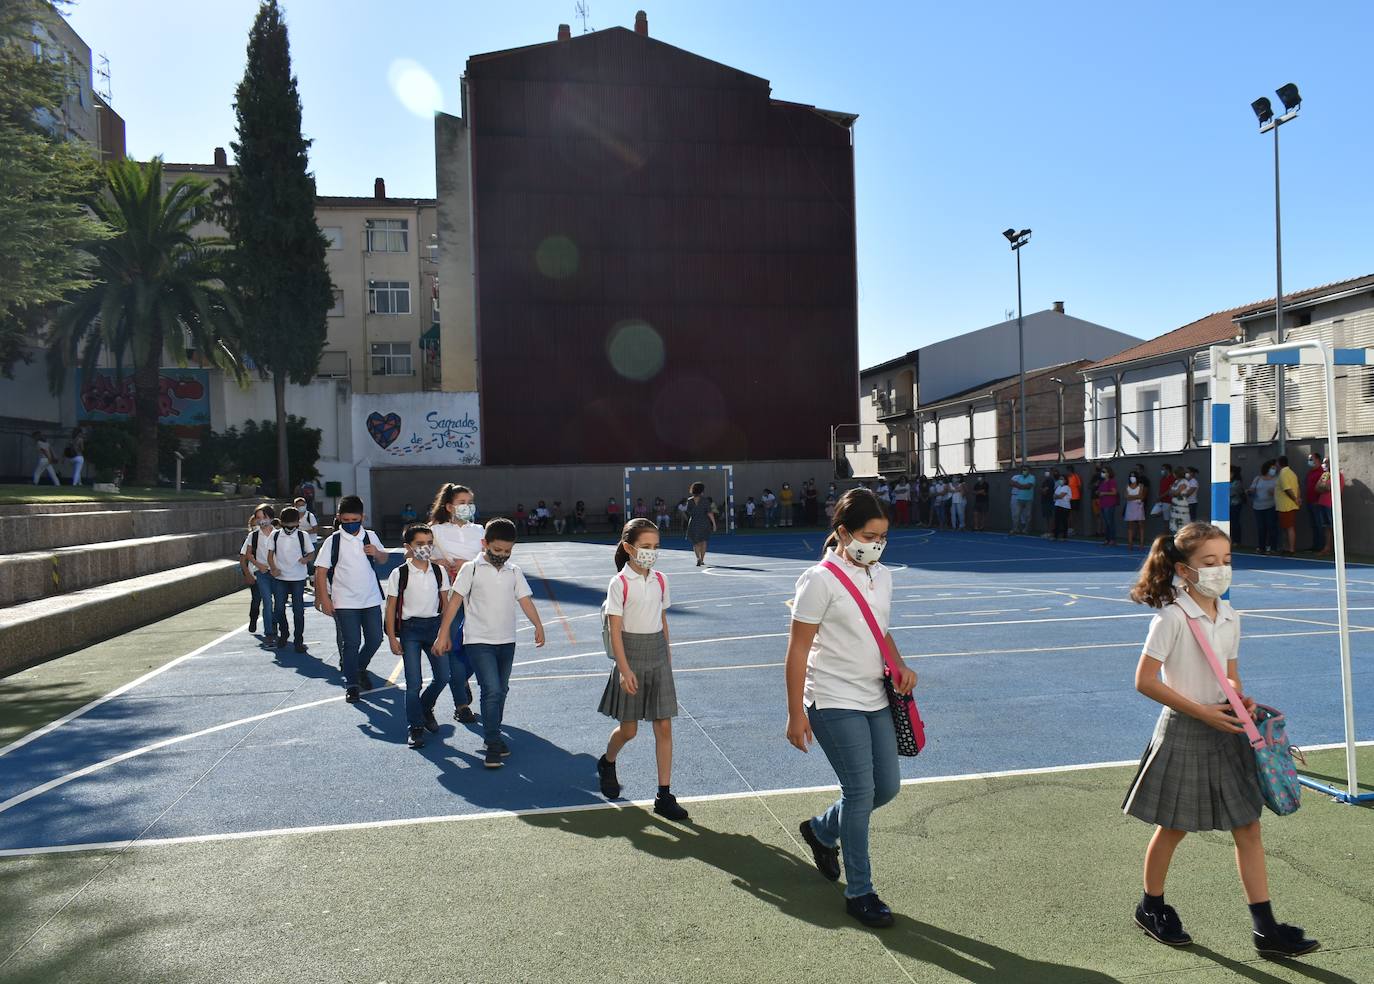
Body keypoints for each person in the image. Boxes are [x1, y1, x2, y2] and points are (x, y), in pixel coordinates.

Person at [1123, 523, 1319, 958]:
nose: (1220, 570)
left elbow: (1230, 675)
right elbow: (1145, 681)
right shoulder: (1172, 617)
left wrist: (1241, 698)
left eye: (1226, 561)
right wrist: (1202, 711)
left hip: (1227, 726)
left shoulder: (1231, 616)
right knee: (1174, 826)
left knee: (1248, 827)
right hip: (1187, 728)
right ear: (1183, 570)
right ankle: (1151, 906)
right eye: (1209, 563)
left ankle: (1265, 928)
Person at [784, 488, 918, 928]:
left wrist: (898, 664)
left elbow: (881, 631)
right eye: (868, 535)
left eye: (883, 536)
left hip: (875, 695)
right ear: (843, 532)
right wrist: (795, 713)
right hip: (832, 698)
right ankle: (860, 891)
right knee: (860, 793)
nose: (876, 544)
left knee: (888, 788)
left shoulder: (883, 576)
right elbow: (798, 650)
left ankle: (822, 830)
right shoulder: (819, 579)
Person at [434, 518, 546, 769]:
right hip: (478, 640)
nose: (502, 555)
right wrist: (444, 634)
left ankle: (492, 733)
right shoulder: (470, 570)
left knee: (501, 689)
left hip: (507, 640)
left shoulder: (513, 571)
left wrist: (538, 625)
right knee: (492, 689)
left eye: (507, 551)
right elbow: (454, 602)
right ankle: (493, 743)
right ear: (484, 543)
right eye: (497, 550)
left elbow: (525, 600)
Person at [595, 519, 688, 820]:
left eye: (656, 547)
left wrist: (668, 657)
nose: (651, 552)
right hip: (630, 657)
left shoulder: (661, 579)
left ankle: (664, 794)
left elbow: (662, 621)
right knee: (630, 730)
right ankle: (607, 762)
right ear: (628, 547)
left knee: (664, 726)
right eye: (645, 547)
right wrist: (624, 669)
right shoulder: (619, 583)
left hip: (657, 654)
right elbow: (616, 630)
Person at [314, 494, 388, 703]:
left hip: (371, 598)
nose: (350, 524)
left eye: (354, 520)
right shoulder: (333, 540)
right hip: (344, 601)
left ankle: (359, 667)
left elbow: (384, 558)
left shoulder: (370, 536)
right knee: (351, 643)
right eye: (345, 521)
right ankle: (352, 683)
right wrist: (324, 599)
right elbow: (320, 571)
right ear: (339, 518)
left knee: (375, 639)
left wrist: (377, 553)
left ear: (362, 517)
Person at [384, 524, 451, 750]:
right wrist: (392, 637)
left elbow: (447, 604)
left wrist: (445, 632)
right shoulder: (399, 573)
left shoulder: (439, 571)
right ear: (408, 547)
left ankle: (425, 707)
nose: (426, 548)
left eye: (429, 543)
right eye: (420, 544)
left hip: (434, 628)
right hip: (410, 630)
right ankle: (415, 727)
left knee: (443, 676)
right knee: (413, 683)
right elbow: (391, 606)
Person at [428, 483, 483, 723]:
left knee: (476, 648)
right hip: (450, 597)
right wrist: (437, 562)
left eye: (469, 502)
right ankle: (461, 704)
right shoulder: (436, 531)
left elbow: (490, 557)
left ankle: (460, 680)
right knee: (453, 648)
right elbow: (416, 556)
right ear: (449, 506)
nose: (467, 507)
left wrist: (468, 564)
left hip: (480, 596)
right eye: (462, 503)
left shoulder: (480, 530)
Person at [268, 506, 316, 652]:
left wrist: (306, 559)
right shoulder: (275, 535)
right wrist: (273, 568)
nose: (290, 528)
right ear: (282, 523)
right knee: (279, 608)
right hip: (281, 577)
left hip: (298, 577)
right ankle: (284, 632)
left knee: (298, 610)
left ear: (297, 522)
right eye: (287, 525)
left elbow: (311, 554)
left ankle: (298, 640)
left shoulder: (303, 536)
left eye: (293, 525)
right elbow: (270, 555)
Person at [240, 504, 279, 648]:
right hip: (261, 573)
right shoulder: (253, 535)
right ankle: (269, 633)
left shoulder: (278, 534)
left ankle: (275, 625)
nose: (261, 520)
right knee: (267, 602)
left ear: (271, 517)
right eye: (258, 518)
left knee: (279, 604)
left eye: (264, 517)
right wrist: (259, 565)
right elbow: (247, 554)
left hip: (277, 573)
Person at [1248, 461, 1278, 554]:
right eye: (1272, 468)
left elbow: (1280, 492)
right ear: (1267, 468)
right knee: (1261, 528)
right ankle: (1261, 547)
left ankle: (1272, 547)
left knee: (1271, 527)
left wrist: (1274, 492)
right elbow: (1252, 488)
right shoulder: (1258, 478)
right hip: (1258, 507)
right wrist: (1250, 491)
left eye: (1275, 468)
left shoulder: (1276, 479)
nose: (1274, 470)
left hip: (1271, 506)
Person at [1314, 456, 1342, 557]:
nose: (1324, 464)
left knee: (1334, 526)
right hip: (1322, 504)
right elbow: (1317, 488)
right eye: (1323, 462)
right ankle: (1327, 547)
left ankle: (1338, 549)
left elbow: (1334, 489)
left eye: (1326, 462)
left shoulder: (1338, 475)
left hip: (1331, 505)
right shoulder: (1324, 475)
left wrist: (1325, 487)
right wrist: (1325, 487)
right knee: (1326, 527)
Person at [684, 482, 716, 566]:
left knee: (695, 542)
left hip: (694, 523)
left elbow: (688, 512)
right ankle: (702, 559)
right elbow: (709, 513)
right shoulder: (705, 500)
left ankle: (698, 558)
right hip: (704, 522)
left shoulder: (690, 501)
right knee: (703, 541)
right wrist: (714, 523)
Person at [1274, 456, 1300, 556]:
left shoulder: (1283, 473)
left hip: (1285, 505)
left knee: (1289, 527)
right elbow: (1297, 487)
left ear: (1279, 463)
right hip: (1287, 505)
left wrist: (1295, 499)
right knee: (1286, 527)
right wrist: (1298, 498)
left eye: (1276, 463)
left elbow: (1287, 488)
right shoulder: (1292, 473)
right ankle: (1287, 548)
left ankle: (1290, 549)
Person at [1303, 453, 1324, 552]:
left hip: (1317, 502)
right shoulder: (1310, 472)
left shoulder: (1322, 472)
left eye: (1311, 459)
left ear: (1317, 460)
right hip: (1309, 502)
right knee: (1314, 525)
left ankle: (1321, 546)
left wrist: (1319, 500)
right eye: (1309, 459)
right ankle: (1315, 545)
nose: (1309, 461)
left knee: (1319, 524)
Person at [1124, 468, 1147, 549]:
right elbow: (1126, 496)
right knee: (1130, 526)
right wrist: (1135, 497)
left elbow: (1141, 496)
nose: (1132, 478)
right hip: (1130, 507)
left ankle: (1141, 544)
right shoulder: (1127, 486)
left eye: (1133, 476)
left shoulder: (1141, 486)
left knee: (1141, 525)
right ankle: (1130, 543)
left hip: (1138, 506)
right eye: (1131, 476)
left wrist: (1131, 497)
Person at [1010, 466, 1035, 535]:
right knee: (1016, 514)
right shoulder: (1019, 477)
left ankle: (1026, 529)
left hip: (1028, 499)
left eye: (1025, 470)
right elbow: (1011, 483)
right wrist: (1022, 486)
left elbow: (1028, 486)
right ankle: (1015, 529)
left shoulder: (1032, 477)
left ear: (1029, 470)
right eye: (1023, 470)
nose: (1024, 471)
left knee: (1027, 515)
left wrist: (1019, 485)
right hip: (1019, 498)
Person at [1099, 466, 1120, 546]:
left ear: (1108, 473)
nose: (1102, 473)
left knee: (1110, 522)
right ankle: (1107, 539)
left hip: (1109, 504)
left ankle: (1112, 539)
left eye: (1104, 472)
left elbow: (1114, 492)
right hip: (1103, 504)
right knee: (1106, 523)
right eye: (1102, 471)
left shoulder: (1112, 481)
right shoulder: (1102, 482)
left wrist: (1104, 493)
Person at [1168, 467, 1191, 534]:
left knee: (1182, 523)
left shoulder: (1184, 481)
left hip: (1181, 506)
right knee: (1174, 523)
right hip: (1174, 506)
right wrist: (1172, 491)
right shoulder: (1176, 481)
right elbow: (1170, 493)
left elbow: (1176, 492)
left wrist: (1172, 491)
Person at [1229, 467, 1246, 548]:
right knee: (1230, 523)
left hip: (1235, 505)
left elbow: (1232, 492)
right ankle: (1230, 540)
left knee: (1235, 523)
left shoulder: (1237, 482)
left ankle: (1237, 541)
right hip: (1227, 505)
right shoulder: (1228, 482)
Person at [1053, 473, 1072, 540]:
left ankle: (1064, 536)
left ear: (1065, 480)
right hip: (1058, 505)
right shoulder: (1059, 487)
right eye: (1059, 479)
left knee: (1064, 521)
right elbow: (1054, 496)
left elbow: (1061, 496)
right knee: (1057, 521)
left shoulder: (1066, 487)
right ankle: (1055, 536)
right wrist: (1057, 496)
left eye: (1062, 479)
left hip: (1065, 507)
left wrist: (1057, 496)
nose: (1060, 480)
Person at [1039, 470, 1057, 539]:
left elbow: (1044, 491)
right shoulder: (1044, 481)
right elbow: (1041, 490)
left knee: (1050, 517)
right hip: (1044, 501)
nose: (1046, 473)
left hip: (1050, 501)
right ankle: (1048, 532)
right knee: (1046, 517)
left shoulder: (1051, 481)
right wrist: (1042, 490)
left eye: (1048, 472)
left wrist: (1043, 490)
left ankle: (1051, 532)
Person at [1067, 467, 1083, 537]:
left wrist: (1079, 495)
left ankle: (1073, 529)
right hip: (1068, 498)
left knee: (1073, 514)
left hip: (1075, 498)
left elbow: (1079, 486)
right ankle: (1069, 529)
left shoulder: (1076, 476)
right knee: (1069, 514)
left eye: (1069, 471)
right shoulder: (1067, 478)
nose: (1068, 472)